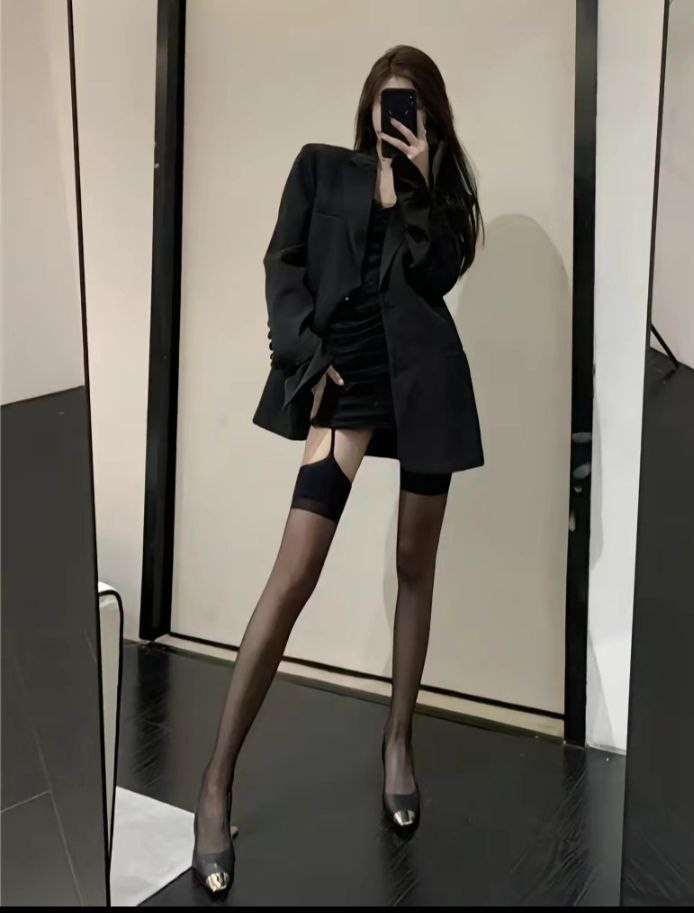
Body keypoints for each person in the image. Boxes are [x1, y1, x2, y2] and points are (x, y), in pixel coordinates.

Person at [192, 44, 484, 897]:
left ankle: (398, 741)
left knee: (414, 564)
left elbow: (438, 274)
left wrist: (422, 184)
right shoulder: (322, 170)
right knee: (294, 572)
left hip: (425, 384)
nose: (397, 119)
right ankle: (215, 781)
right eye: (388, 103)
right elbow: (282, 263)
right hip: (347, 377)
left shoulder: (447, 194)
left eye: (412, 105)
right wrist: (305, 359)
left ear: (431, 115)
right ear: (367, 108)